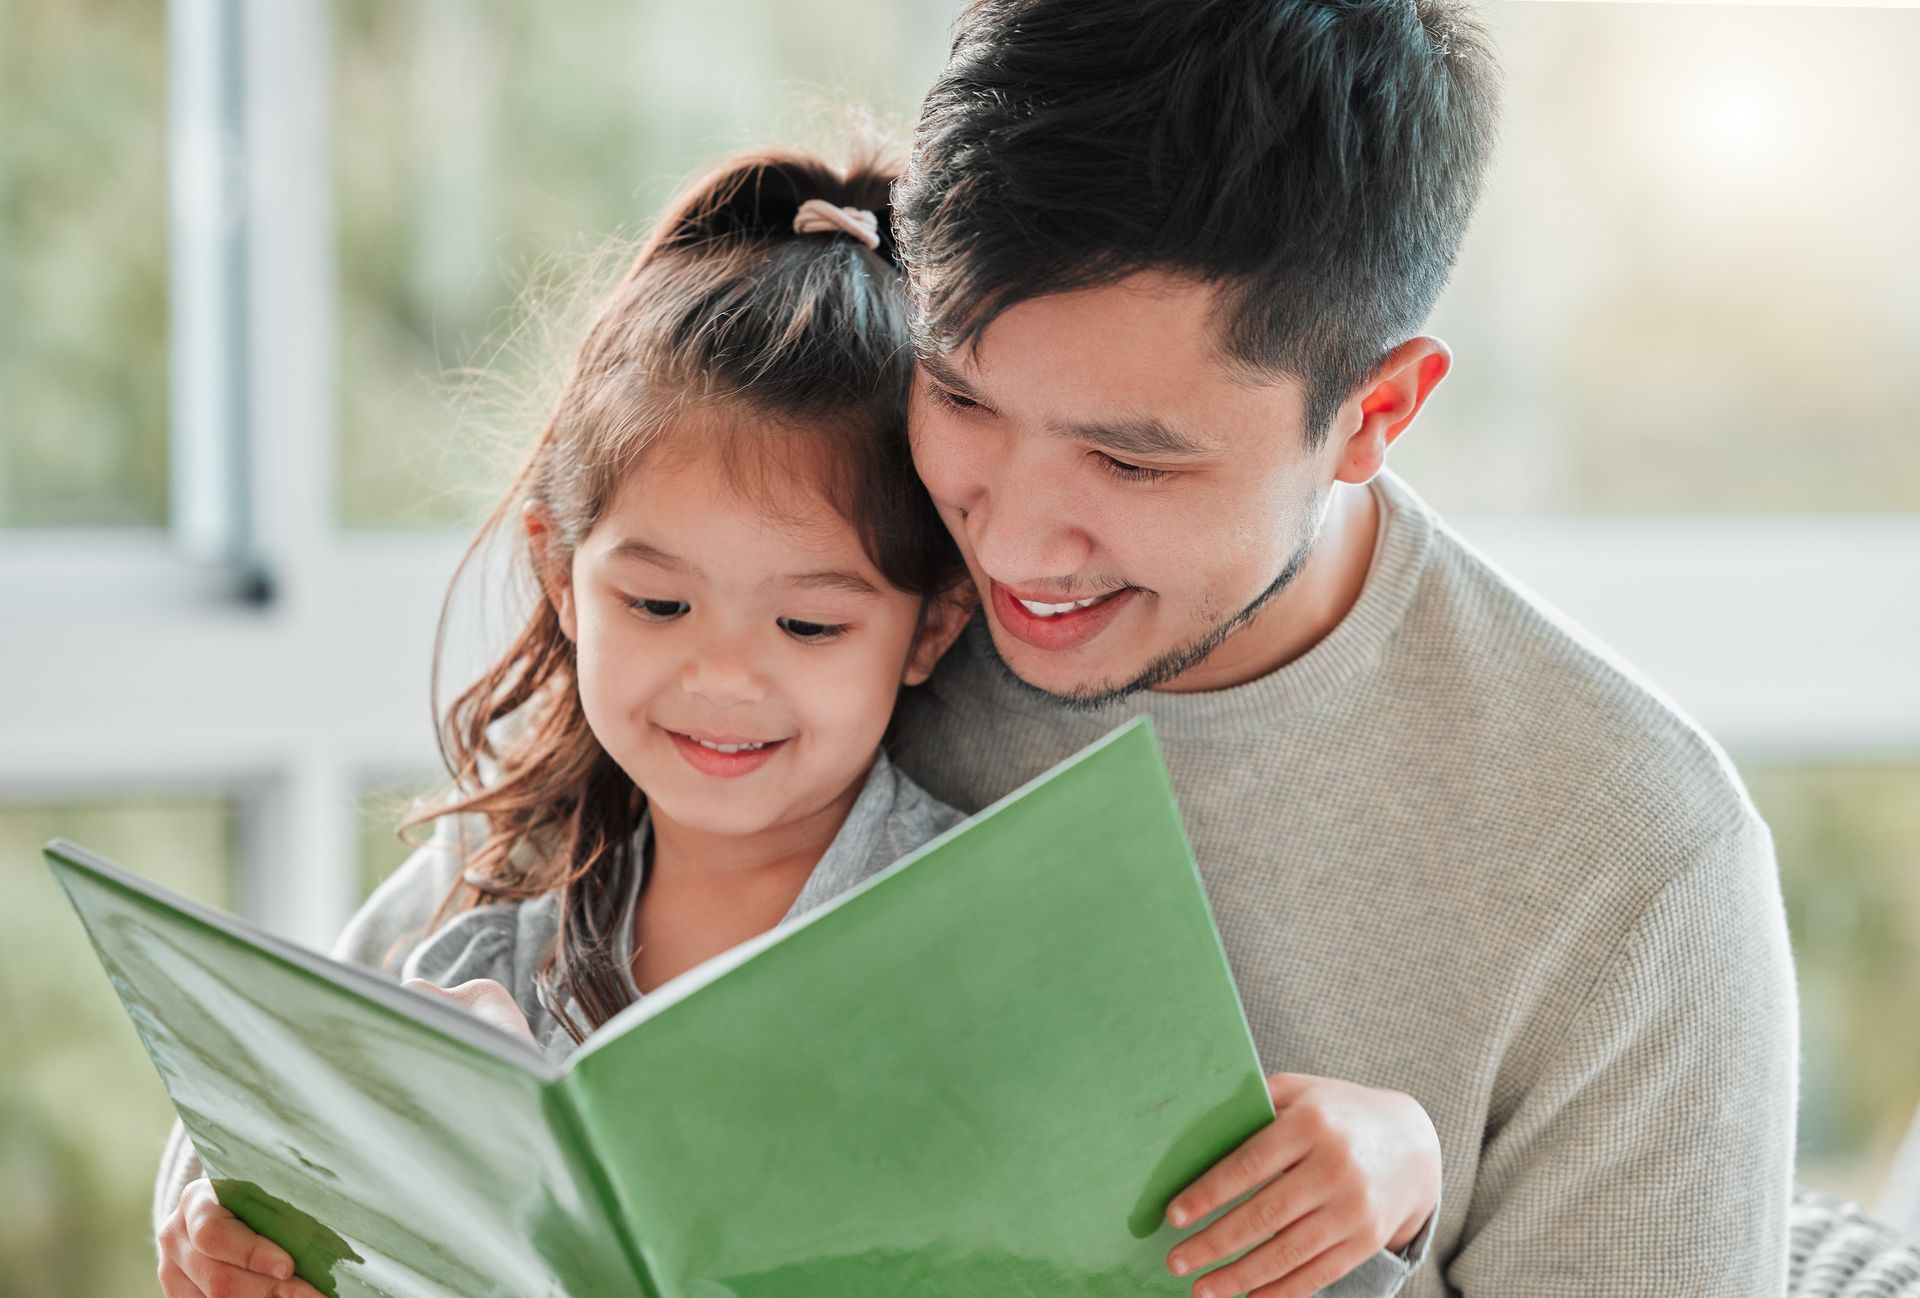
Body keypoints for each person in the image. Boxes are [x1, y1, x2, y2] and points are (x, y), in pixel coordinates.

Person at [882, 1, 1798, 1296]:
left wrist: (1387, 1222)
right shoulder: (817, 587)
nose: (1016, 544)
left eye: (1133, 458)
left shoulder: (1635, 859)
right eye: (962, 395)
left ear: (1374, 414)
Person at [149, 148, 986, 1298]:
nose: (723, 677)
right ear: (560, 578)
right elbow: (256, 1117)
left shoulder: (981, 924)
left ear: (930, 629)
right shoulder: (501, 912)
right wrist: (231, 1224)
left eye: (807, 625)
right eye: (656, 604)